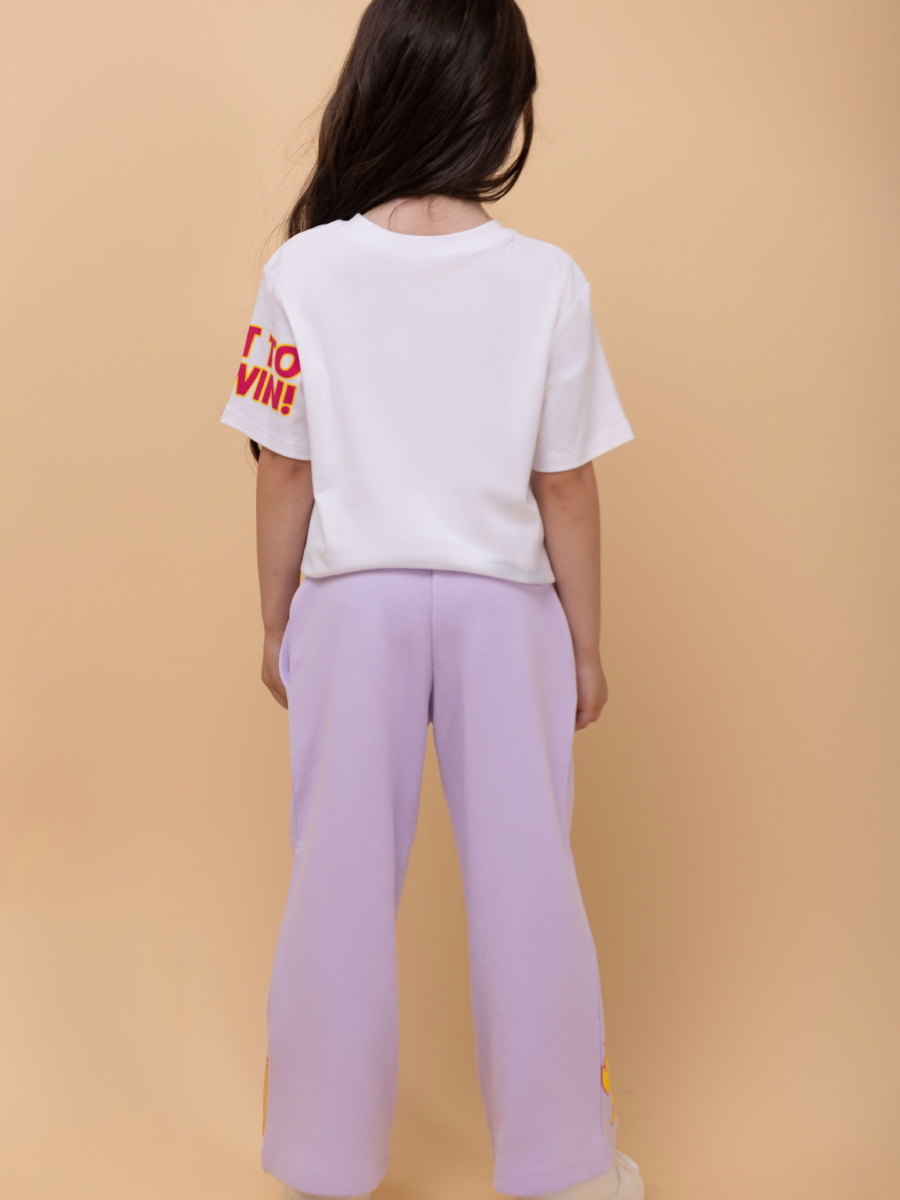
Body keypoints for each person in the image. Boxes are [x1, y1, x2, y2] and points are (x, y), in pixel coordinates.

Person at [220, 2, 644, 1198]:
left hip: (352, 604)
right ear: (498, 106)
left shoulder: (300, 271)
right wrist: (587, 644)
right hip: (506, 607)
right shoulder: (546, 281)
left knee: (337, 882)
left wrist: (276, 621)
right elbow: (564, 485)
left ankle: (321, 1162)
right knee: (528, 880)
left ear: (378, 87)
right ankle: (562, 1167)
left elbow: (284, 469)